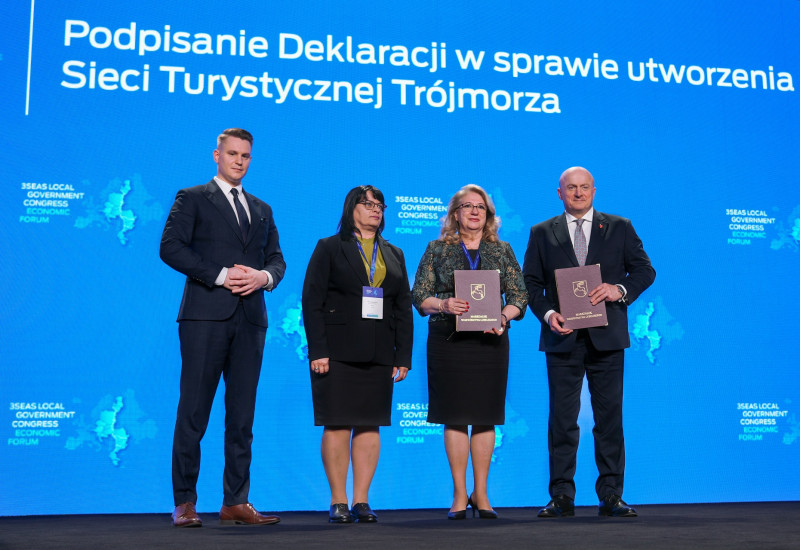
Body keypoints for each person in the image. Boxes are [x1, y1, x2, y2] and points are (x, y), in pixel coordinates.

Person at [160, 128, 286, 528]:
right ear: (217, 155)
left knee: (242, 417)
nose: (239, 161)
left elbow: (277, 260)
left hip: (251, 321)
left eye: (245, 156)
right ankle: (184, 502)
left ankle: (236, 501)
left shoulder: (262, 208)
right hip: (204, 319)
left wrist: (263, 278)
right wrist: (220, 275)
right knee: (194, 412)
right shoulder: (193, 197)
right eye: (232, 154)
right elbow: (170, 247)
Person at [522, 166, 655, 518]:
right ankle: (561, 496)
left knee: (609, 418)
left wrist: (619, 289)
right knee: (562, 420)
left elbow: (645, 270)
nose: (578, 193)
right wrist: (549, 314)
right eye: (571, 188)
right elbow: (530, 284)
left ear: (594, 191)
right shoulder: (541, 232)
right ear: (560, 193)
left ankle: (611, 495)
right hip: (562, 336)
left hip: (607, 338)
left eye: (584, 187)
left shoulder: (620, 227)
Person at [411, 184, 528, 520]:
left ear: (489, 215)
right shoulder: (436, 249)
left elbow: (519, 296)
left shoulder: (502, 250)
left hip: (490, 343)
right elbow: (419, 295)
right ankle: (460, 494)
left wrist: (503, 317)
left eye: (481, 207)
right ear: (455, 214)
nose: (475, 211)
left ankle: (482, 492)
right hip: (449, 343)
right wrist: (443, 304)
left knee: (485, 416)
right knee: (455, 416)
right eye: (467, 206)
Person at [302, 185, 413, 524]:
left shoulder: (394, 253)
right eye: (367, 204)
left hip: (380, 351)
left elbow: (402, 307)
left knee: (370, 425)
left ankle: (361, 500)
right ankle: (338, 500)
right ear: (351, 209)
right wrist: (318, 350)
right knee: (337, 423)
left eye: (380, 205)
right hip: (336, 351)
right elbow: (312, 300)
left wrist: (402, 356)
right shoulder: (329, 247)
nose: (375, 209)